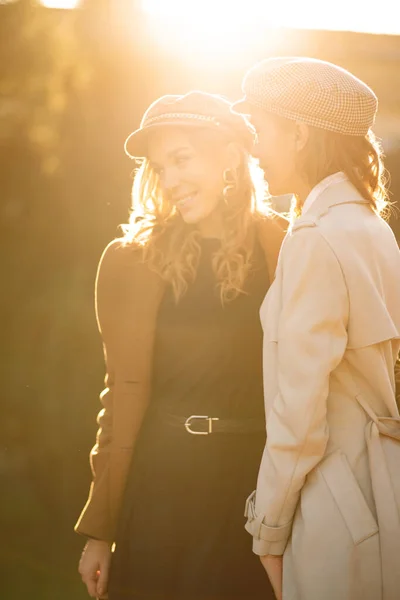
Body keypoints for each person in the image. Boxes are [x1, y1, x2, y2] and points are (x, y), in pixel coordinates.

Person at [76, 90, 286, 600]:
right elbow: (119, 396)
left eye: (182, 160)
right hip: (162, 483)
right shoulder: (130, 261)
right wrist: (101, 530)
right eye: (159, 167)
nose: (169, 181)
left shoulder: (286, 246)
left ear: (230, 156)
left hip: (253, 490)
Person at [233, 57, 400, 600]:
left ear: (299, 133)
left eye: (261, 129)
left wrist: (269, 531)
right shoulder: (371, 227)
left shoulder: (314, 238)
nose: (254, 148)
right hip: (385, 491)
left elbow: (299, 416)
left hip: (335, 512)